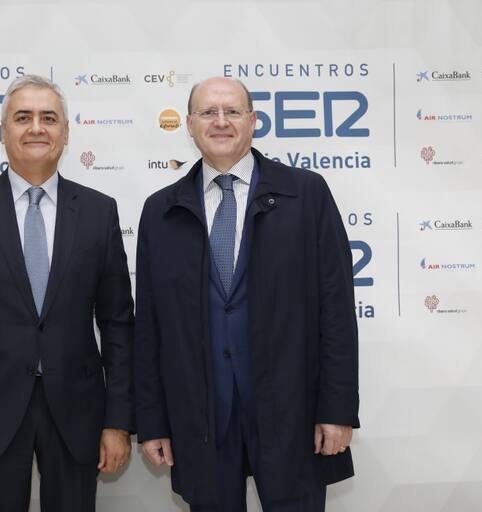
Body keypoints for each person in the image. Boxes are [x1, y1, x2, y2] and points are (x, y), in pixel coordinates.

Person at [134, 77, 359, 511]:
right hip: (200, 418)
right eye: (208, 112)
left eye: (232, 111)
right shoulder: (161, 211)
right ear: (189, 125)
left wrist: (336, 409)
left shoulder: (306, 195)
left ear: (253, 121)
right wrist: (153, 420)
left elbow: (335, 310)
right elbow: (150, 328)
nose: (220, 121)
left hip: (293, 413)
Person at [0, 74, 134, 511]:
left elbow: (118, 327)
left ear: (66, 133)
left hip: (77, 414)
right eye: (23, 117)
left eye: (48, 118)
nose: (37, 128)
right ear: (3, 132)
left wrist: (117, 423)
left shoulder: (99, 211)